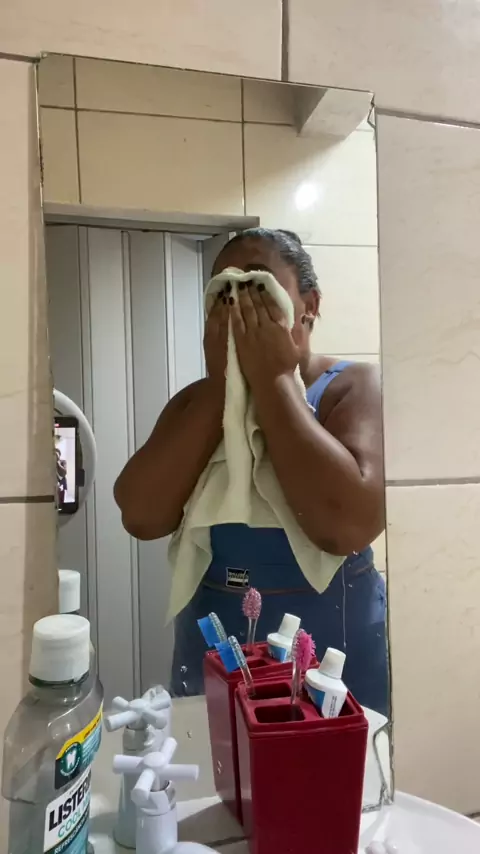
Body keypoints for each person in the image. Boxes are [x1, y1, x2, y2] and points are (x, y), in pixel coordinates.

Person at [114, 228, 388, 715]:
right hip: (217, 636)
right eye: (224, 290)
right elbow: (141, 515)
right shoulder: (197, 401)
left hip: (333, 644)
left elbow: (347, 525)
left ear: (309, 304)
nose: (239, 301)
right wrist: (222, 388)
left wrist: (275, 380)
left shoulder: (351, 387)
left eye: (257, 285)